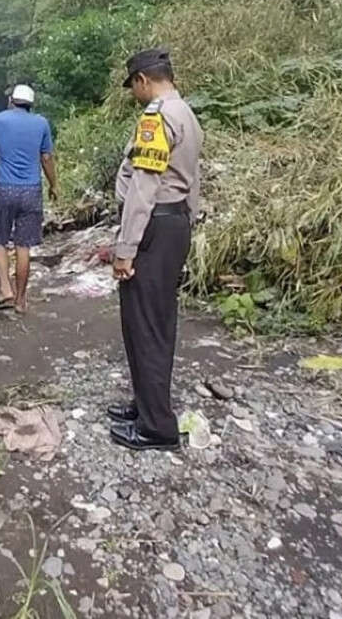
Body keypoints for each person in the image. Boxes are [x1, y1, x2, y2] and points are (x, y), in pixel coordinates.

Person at [107, 48, 203, 452]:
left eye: (133, 86)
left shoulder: (157, 118)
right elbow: (193, 178)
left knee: (144, 324)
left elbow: (144, 188)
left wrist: (125, 248)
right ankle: (147, 406)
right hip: (175, 222)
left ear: (143, 80)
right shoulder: (187, 113)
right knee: (159, 320)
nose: (134, 93)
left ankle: (156, 429)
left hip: (154, 226)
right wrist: (190, 220)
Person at [0, 85, 58, 313]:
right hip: (32, 189)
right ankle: (20, 301)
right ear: (31, 103)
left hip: (6, 188)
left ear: (11, 100)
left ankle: (5, 289)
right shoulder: (42, 123)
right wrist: (54, 185)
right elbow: (46, 157)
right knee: (23, 245)